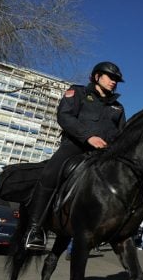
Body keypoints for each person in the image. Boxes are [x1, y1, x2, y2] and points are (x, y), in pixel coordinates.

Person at [23, 61, 126, 250]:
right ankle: (35, 228)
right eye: (111, 77)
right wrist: (88, 137)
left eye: (117, 80)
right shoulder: (77, 93)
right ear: (97, 77)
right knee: (50, 173)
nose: (114, 82)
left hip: (103, 154)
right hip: (75, 147)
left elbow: (121, 134)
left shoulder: (118, 108)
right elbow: (65, 116)